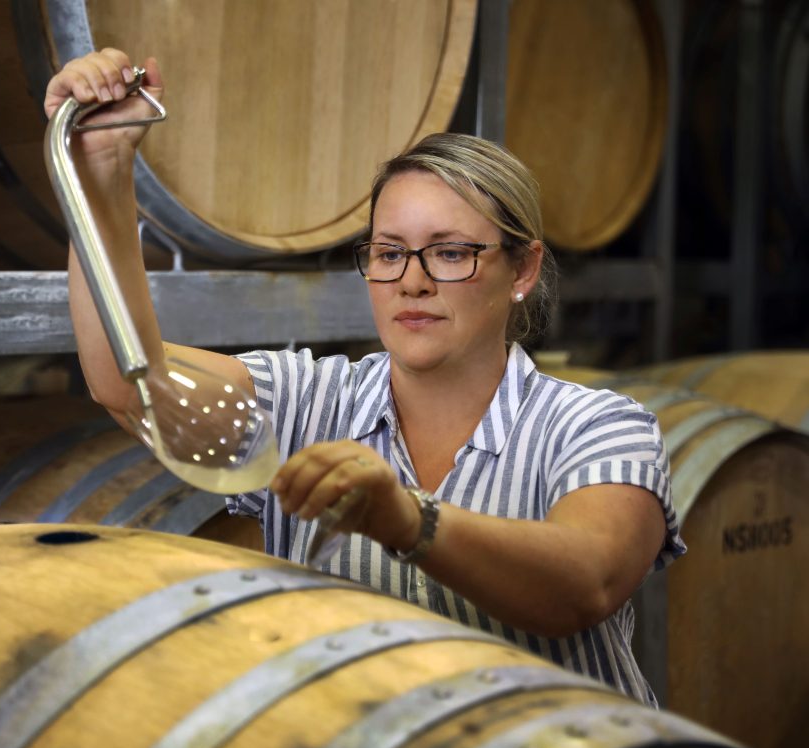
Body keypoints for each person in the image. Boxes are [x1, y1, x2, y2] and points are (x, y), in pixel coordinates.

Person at [45, 49, 685, 706]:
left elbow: (588, 582)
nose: (412, 279)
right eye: (388, 253)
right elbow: (131, 381)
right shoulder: (310, 401)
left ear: (522, 270)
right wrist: (101, 171)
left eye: (450, 252)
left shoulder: (600, 426)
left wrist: (408, 518)